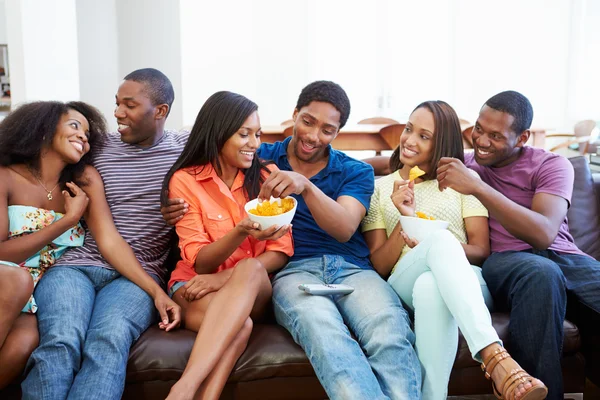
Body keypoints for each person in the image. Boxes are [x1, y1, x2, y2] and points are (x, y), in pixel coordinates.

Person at [163, 81, 422, 399]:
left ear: (338, 133)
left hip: (351, 269)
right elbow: (208, 145)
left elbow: (339, 229)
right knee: (319, 336)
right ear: (295, 115)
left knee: (389, 332)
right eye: (308, 122)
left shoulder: (340, 171)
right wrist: (170, 207)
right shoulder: (261, 161)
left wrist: (307, 186)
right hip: (291, 273)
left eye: (327, 129)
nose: (313, 136)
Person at [361, 100, 547, 400]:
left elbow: (480, 250)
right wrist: (406, 221)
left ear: (442, 142)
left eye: (424, 135)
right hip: (401, 282)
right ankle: (493, 355)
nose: (409, 139)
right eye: (409, 129)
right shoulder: (381, 189)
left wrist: (433, 242)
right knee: (437, 245)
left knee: (431, 284)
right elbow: (379, 266)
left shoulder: (464, 185)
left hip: (466, 279)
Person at [21, 68, 185, 400]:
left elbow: (241, 143)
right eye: (116, 103)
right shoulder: (96, 148)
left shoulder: (186, 149)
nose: (117, 113)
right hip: (75, 266)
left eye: (129, 105)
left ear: (161, 111)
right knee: (61, 339)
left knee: (108, 339)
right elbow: (39, 148)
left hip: (138, 277)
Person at [436, 90, 600, 400]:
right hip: (507, 261)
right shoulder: (466, 164)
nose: (481, 140)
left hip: (564, 258)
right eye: (479, 129)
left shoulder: (552, 165)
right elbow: (414, 159)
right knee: (540, 274)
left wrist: (478, 187)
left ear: (522, 137)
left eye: (495, 135)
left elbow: (543, 234)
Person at [161, 91, 293, 400]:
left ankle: (181, 390)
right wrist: (239, 232)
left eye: (257, 134)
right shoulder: (185, 180)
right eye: (244, 134)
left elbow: (280, 251)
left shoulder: (268, 177)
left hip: (251, 287)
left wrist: (222, 279)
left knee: (248, 268)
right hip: (193, 284)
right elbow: (201, 263)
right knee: (239, 325)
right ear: (218, 132)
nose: (254, 143)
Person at [0, 101, 105, 389]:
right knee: (17, 279)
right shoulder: (5, 175)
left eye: (86, 134)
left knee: (26, 342)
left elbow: (109, 240)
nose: (83, 137)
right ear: (44, 129)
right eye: (74, 126)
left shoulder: (78, 188)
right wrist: (67, 220)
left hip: (31, 296)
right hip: (7, 280)